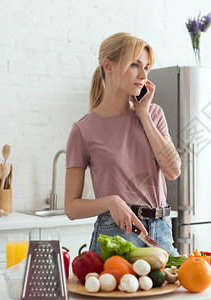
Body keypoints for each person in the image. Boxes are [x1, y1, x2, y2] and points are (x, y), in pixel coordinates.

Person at [64, 32, 181, 256]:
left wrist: (143, 114)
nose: (143, 75)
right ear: (108, 66)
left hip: (161, 228)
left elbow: (173, 170)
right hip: (117, 232)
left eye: (146, 67)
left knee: (178, 289)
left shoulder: (153, 114)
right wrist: (110, 201)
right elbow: (71, 207)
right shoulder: (83, 130)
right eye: (135, 65)